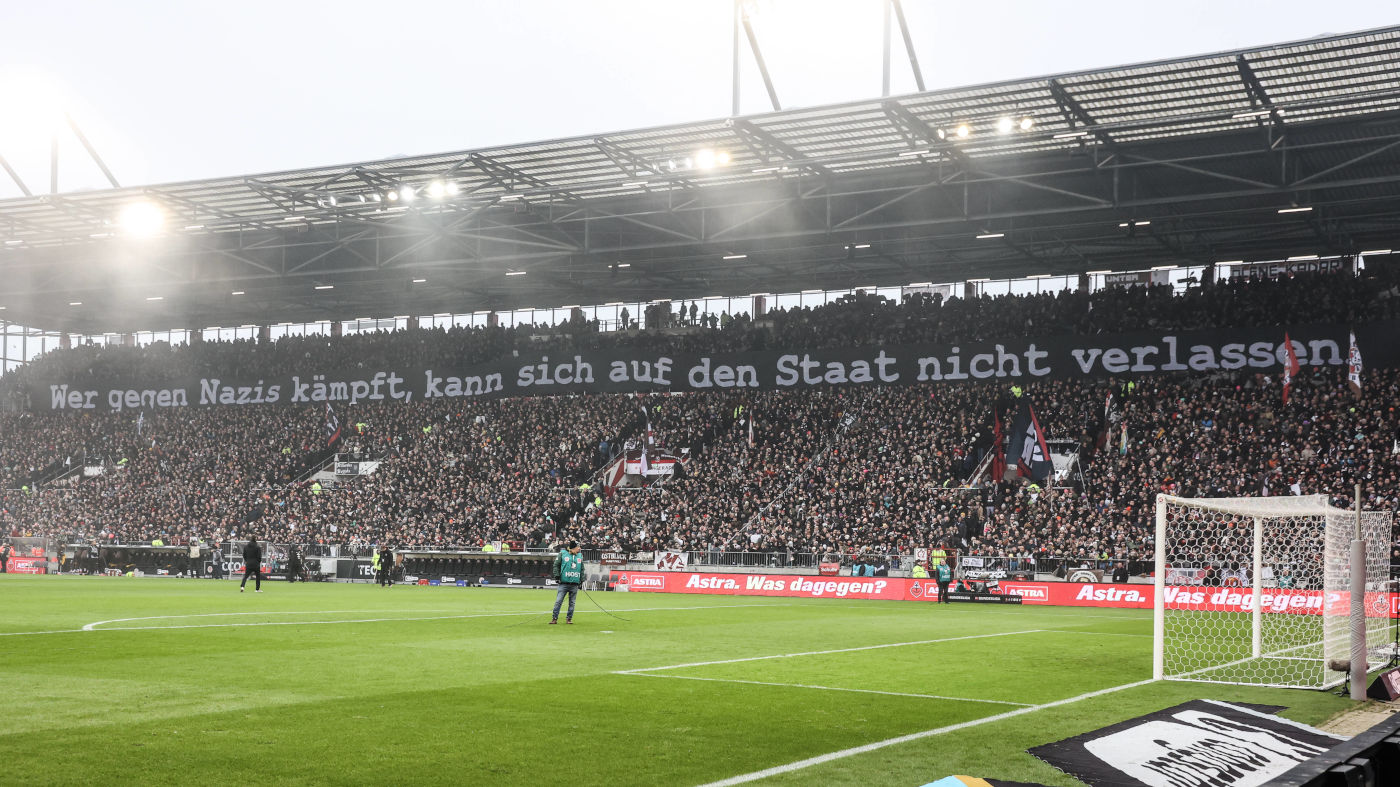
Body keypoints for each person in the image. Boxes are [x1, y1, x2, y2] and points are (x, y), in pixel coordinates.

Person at [550, 541, 584, 624]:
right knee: (558, 601)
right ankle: (554, 618)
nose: (579, 548)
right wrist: (557, 576)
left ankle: (569, 619)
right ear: (573, 548)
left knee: (572, 603)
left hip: (574, 584)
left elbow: (582, 569)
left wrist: (581, 580)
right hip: (563, 583)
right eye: (578, 547)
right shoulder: (562, 553)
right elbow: (556, 565)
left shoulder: (580, 555)